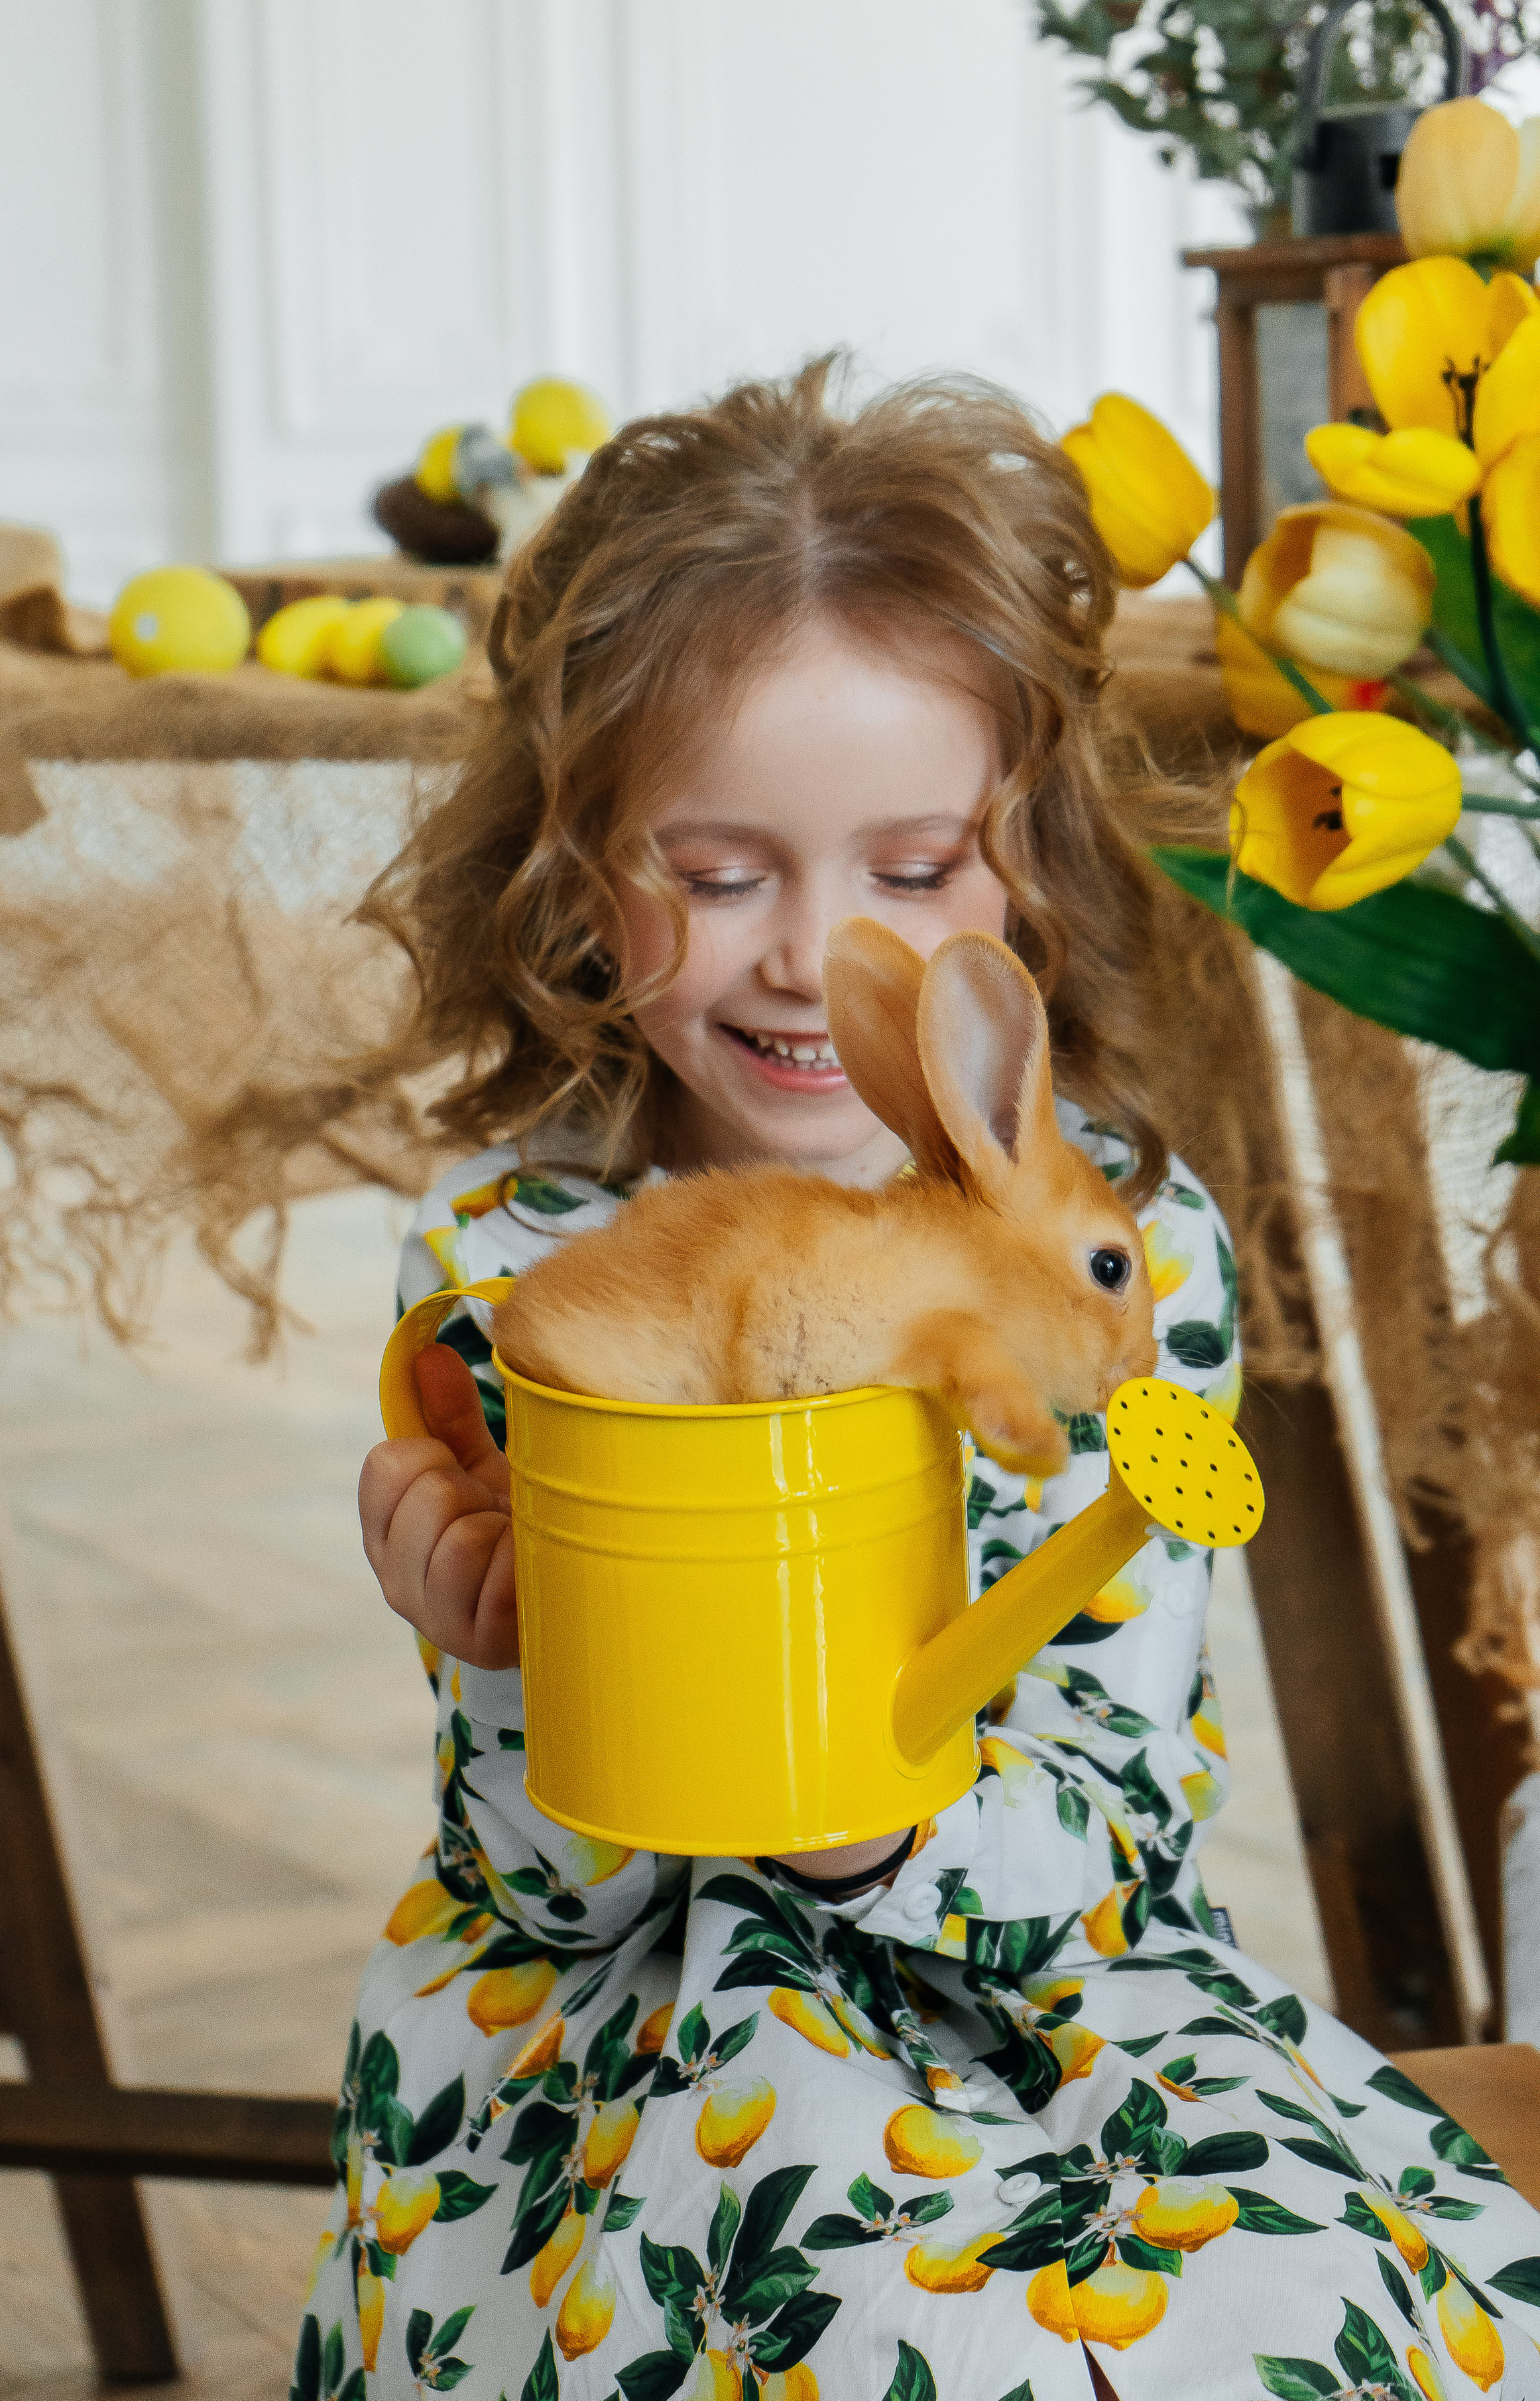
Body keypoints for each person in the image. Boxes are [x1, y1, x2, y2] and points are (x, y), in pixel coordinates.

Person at [296, 361, 1540, 2401]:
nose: (811, 956)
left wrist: (872, 1837)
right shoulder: (517, 1278)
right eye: (717, 874)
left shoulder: (1120, 1262)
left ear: (1023, 875)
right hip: (614, 2045)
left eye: (912, 867)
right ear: (575, 871)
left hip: (1046, 1992)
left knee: (1347, 2328)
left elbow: (1116, 1804)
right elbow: (543, 1875)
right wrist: (507, 1652)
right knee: (862, 2320)